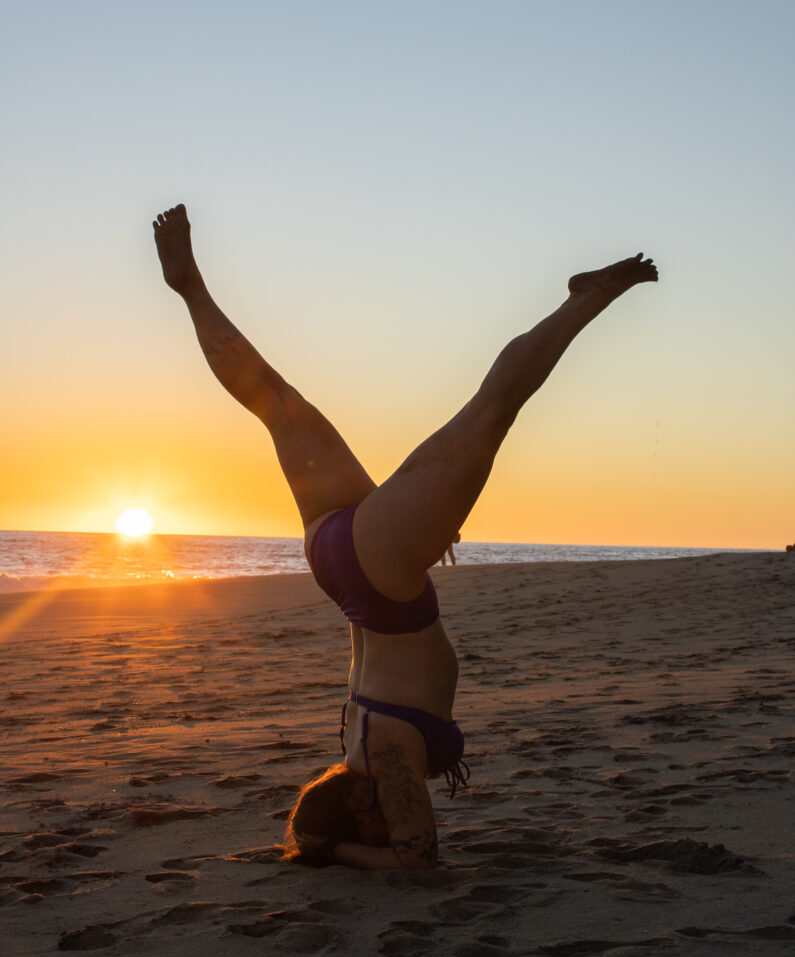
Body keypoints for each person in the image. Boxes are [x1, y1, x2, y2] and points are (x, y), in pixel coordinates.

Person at [153, 203, 658, 870]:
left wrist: (336, 856)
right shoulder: (355, 745)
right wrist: (407, 542)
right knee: (273, 401)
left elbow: (418, 861)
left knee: (491, 410)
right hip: (340, 564)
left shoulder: (385, 761)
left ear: (361, 815)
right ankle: (190, 288)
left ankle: (583, 300)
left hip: (379, 572)